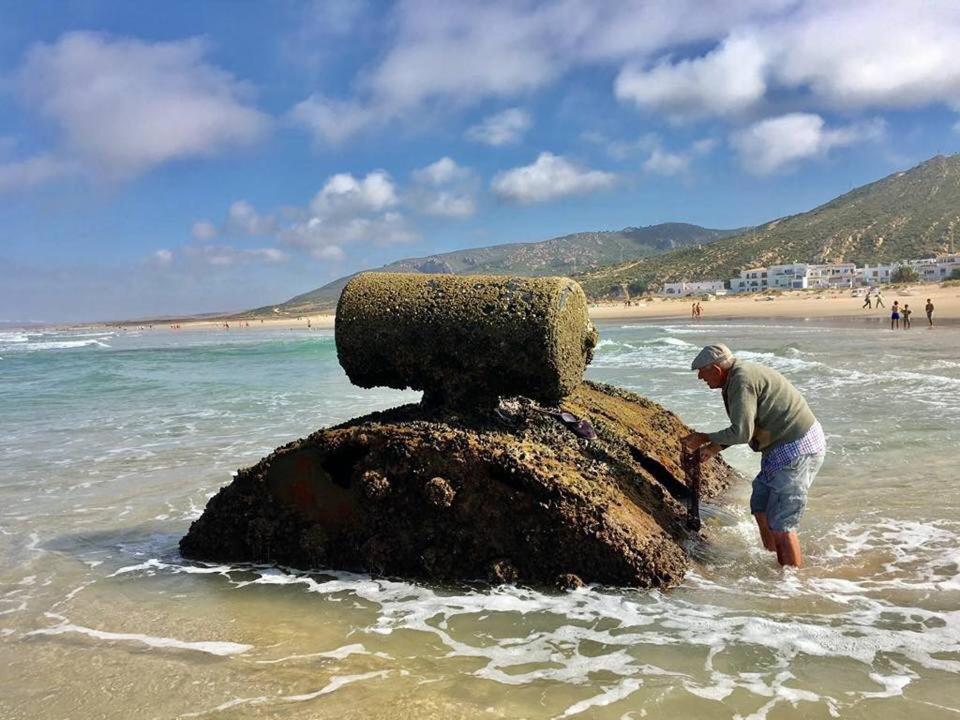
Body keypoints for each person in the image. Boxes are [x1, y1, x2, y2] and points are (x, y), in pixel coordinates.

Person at [681, 344, 825, 568]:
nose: (700, 377)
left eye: (702, 372)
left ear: (717, 370)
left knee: (782, 523)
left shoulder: (741, 381)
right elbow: (747, 426)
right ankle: (774, 562)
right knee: (760, 506)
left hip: (797, 447)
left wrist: (703, 438)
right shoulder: (736, 377)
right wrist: (713, 447)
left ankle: (792, 585)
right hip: (779, 448)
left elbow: (741, 432)